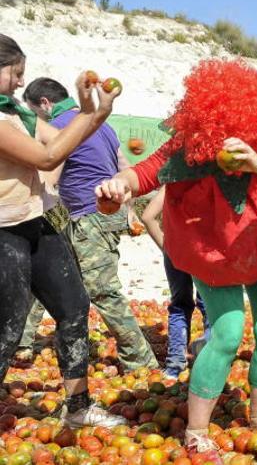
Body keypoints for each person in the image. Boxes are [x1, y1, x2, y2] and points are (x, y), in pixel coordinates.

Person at [95, 59, 257, 455]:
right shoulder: (192, 134)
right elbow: (148, 171)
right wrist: (120, 184)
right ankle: (197, 430)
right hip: (215, 252)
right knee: (228, 335)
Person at [0, 33, 126, 428]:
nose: (21, 82)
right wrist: (89, 114)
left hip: (34, 222)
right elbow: (48, 156)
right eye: (15, 73)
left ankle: (78, 407)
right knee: (8, 326)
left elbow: (62, 141)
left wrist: (96, 110)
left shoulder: (16, 113)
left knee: (73, 306)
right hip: (4, 230)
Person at [20, 76, 159, 372]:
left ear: (45, 104)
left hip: (88, 215)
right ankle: (21, 342)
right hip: (99, 212)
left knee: (102, 290)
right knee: (46, 273)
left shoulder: (60, 128)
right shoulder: (103, 126)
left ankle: (141, 362)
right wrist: (129, 210)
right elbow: (123, 167)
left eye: (34, 110)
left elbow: (51, 173)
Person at [141, 186, 212, 380]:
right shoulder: (209, 181)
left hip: (175, 249)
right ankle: (209, 352)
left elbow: (147, 217)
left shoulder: (172, 184)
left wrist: (166, 248)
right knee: (210, 303)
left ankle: (174, 365)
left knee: (180, 306)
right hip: (204, 248)